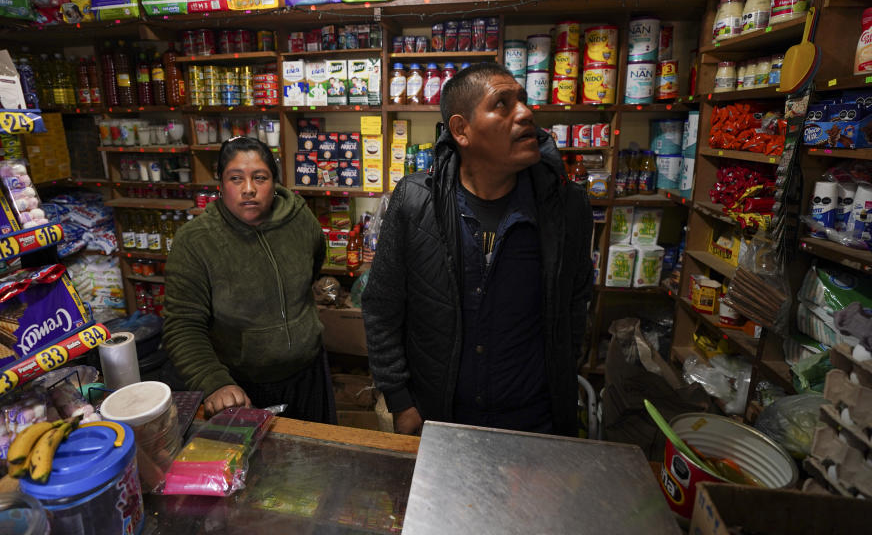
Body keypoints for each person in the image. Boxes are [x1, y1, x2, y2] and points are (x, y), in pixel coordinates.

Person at [362, 62, 593, 436]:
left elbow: (575, 307)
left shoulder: (567, 208)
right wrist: (402, 403)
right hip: (438, 418)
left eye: (523, 100)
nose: (526, 113)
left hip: (533, 422)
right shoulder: (414, 201)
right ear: (461, 130)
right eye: (502, 104)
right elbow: (381, 309)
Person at [163, 136, 335, 423]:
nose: (249, 189)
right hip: (241, 386)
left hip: (309, 374)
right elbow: (182, 325)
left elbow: (312, 268)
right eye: (235, 178)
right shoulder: (196, 242)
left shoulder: (301, 220)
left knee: (319, 460)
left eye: (260, 177)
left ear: (275, 182)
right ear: (220, 184)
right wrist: (214, 382)